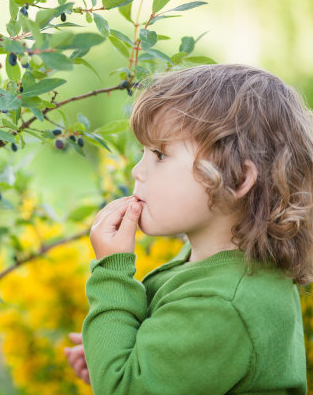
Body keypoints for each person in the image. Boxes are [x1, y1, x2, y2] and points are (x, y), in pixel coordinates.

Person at [63, 64, 313, 394]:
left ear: (236, 178)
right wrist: (115, 352)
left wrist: (112, 272)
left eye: (159, 154)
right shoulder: (217, 270)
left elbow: (122, 390)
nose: (138, 170)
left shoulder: (223, 304)